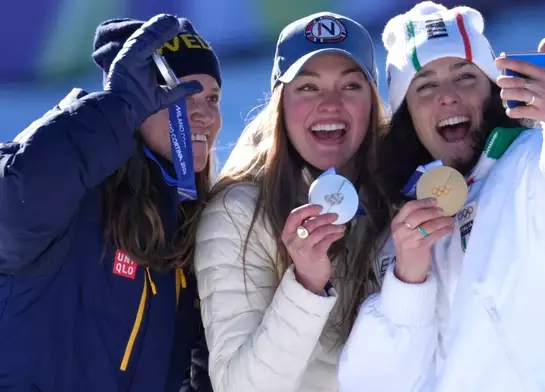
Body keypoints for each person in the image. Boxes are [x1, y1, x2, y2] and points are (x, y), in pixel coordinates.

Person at [337, 2, 545, 391]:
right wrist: (407, 283)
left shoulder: (536, 166)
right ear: (407, 115)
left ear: (493, 92)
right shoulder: (397, 232)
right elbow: (372, 384)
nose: (447, 96)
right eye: (425, 85)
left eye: (465, 76)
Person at [0, 14, 221, 391]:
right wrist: (114, 110)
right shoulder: (73, 188)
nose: (205, 115)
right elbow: (11, 205)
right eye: (181, 94)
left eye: (212, 98)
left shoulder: (187, 220)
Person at [193, 11, 391, 392]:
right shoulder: (237, 213)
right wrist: (305, 286)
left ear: (373, 101)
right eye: (308, 88)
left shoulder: (403, 193)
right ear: (280, 104)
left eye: (351, 86)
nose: (331, 104)